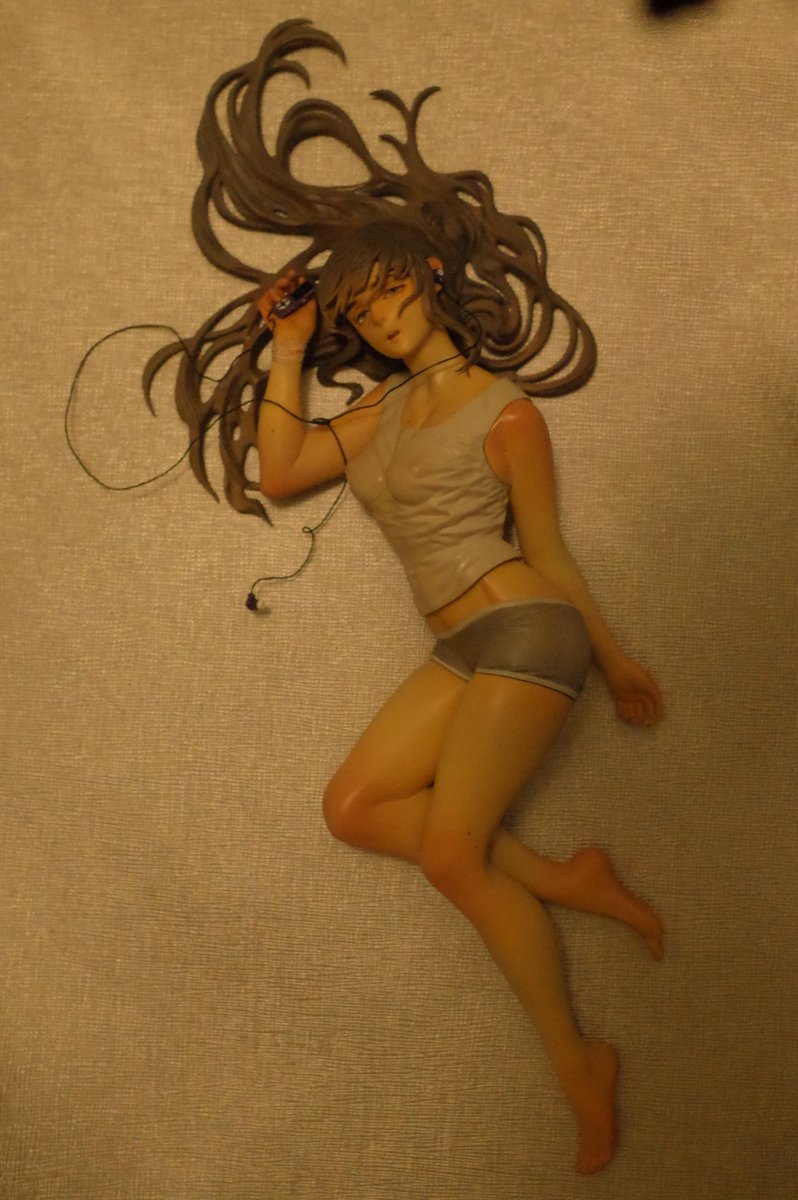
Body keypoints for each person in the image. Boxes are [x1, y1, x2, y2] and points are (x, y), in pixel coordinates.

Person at [153, 20, 664, 1176]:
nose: (382, 321)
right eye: (364, 315)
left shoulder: (506, 411)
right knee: (351, 807)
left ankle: (579, 1063)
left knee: (448, 858)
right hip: (458, 649)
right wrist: (290, 346)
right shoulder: (376, 412)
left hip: (527, 629)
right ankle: (567, 879)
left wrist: (616, 658)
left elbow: (551, 553)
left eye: (392, 297)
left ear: (430, 281)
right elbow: (282, 468)